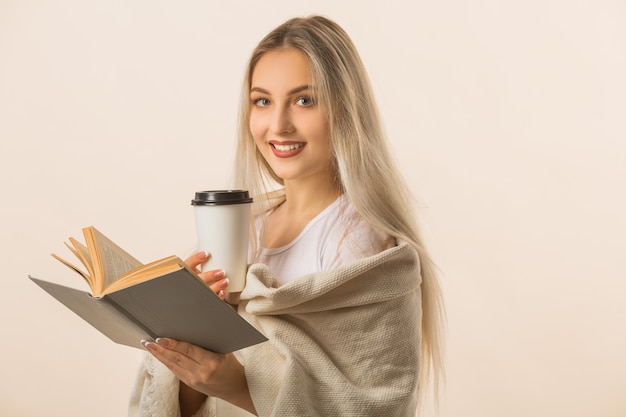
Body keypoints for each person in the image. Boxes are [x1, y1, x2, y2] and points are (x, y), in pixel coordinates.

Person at [129, 15, 445, 417]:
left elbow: (369, 406)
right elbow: (187, 404)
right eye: (262, 101)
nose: (278, 125)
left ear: (345, 108)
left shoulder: (364, 243)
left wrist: (239, 385)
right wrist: (186, 343)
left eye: (304, 100)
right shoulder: (246, 231)